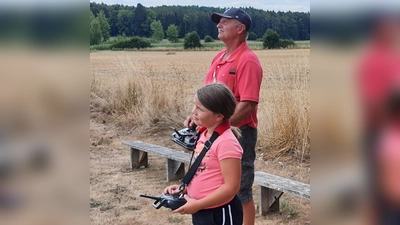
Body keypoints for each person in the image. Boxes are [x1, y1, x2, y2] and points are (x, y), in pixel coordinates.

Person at [184, 8, 263, 225]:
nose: (219, 25)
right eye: (219, 22)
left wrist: (221, 129)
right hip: (215, 131)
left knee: (241, 188)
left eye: (225, 22)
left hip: (238, 133)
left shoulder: (248, 60)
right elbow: (207, 98)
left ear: (240, 28)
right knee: (213, 181)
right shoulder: (219, 57)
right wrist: (198, 118)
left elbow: (248, 104)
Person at [164, 83, 244, 225]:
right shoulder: (204, 134)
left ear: (219, 116)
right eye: (194, 105)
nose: (193, 111)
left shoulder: (226, 143)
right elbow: (203, 170)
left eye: (200, 109)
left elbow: (232, 187)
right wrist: (185, 189)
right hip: (202, 209)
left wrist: (198, 204)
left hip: (220, 213)